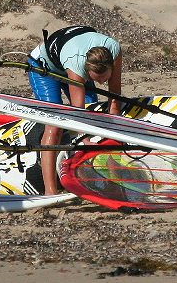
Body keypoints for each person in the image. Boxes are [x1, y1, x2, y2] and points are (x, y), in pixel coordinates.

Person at [28, 25, 122, 195]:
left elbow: (114, 97)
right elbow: (77, 112)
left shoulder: (114, 50)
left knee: (94, 114)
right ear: (87, 71)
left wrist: (113, 132)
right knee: (55, 124)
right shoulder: (76, 64)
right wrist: (84, 137)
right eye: (96, 79)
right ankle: (50, 191)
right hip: (44, 67)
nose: (101, 83)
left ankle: (107, 180)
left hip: (73, 57)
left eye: (104, 78)